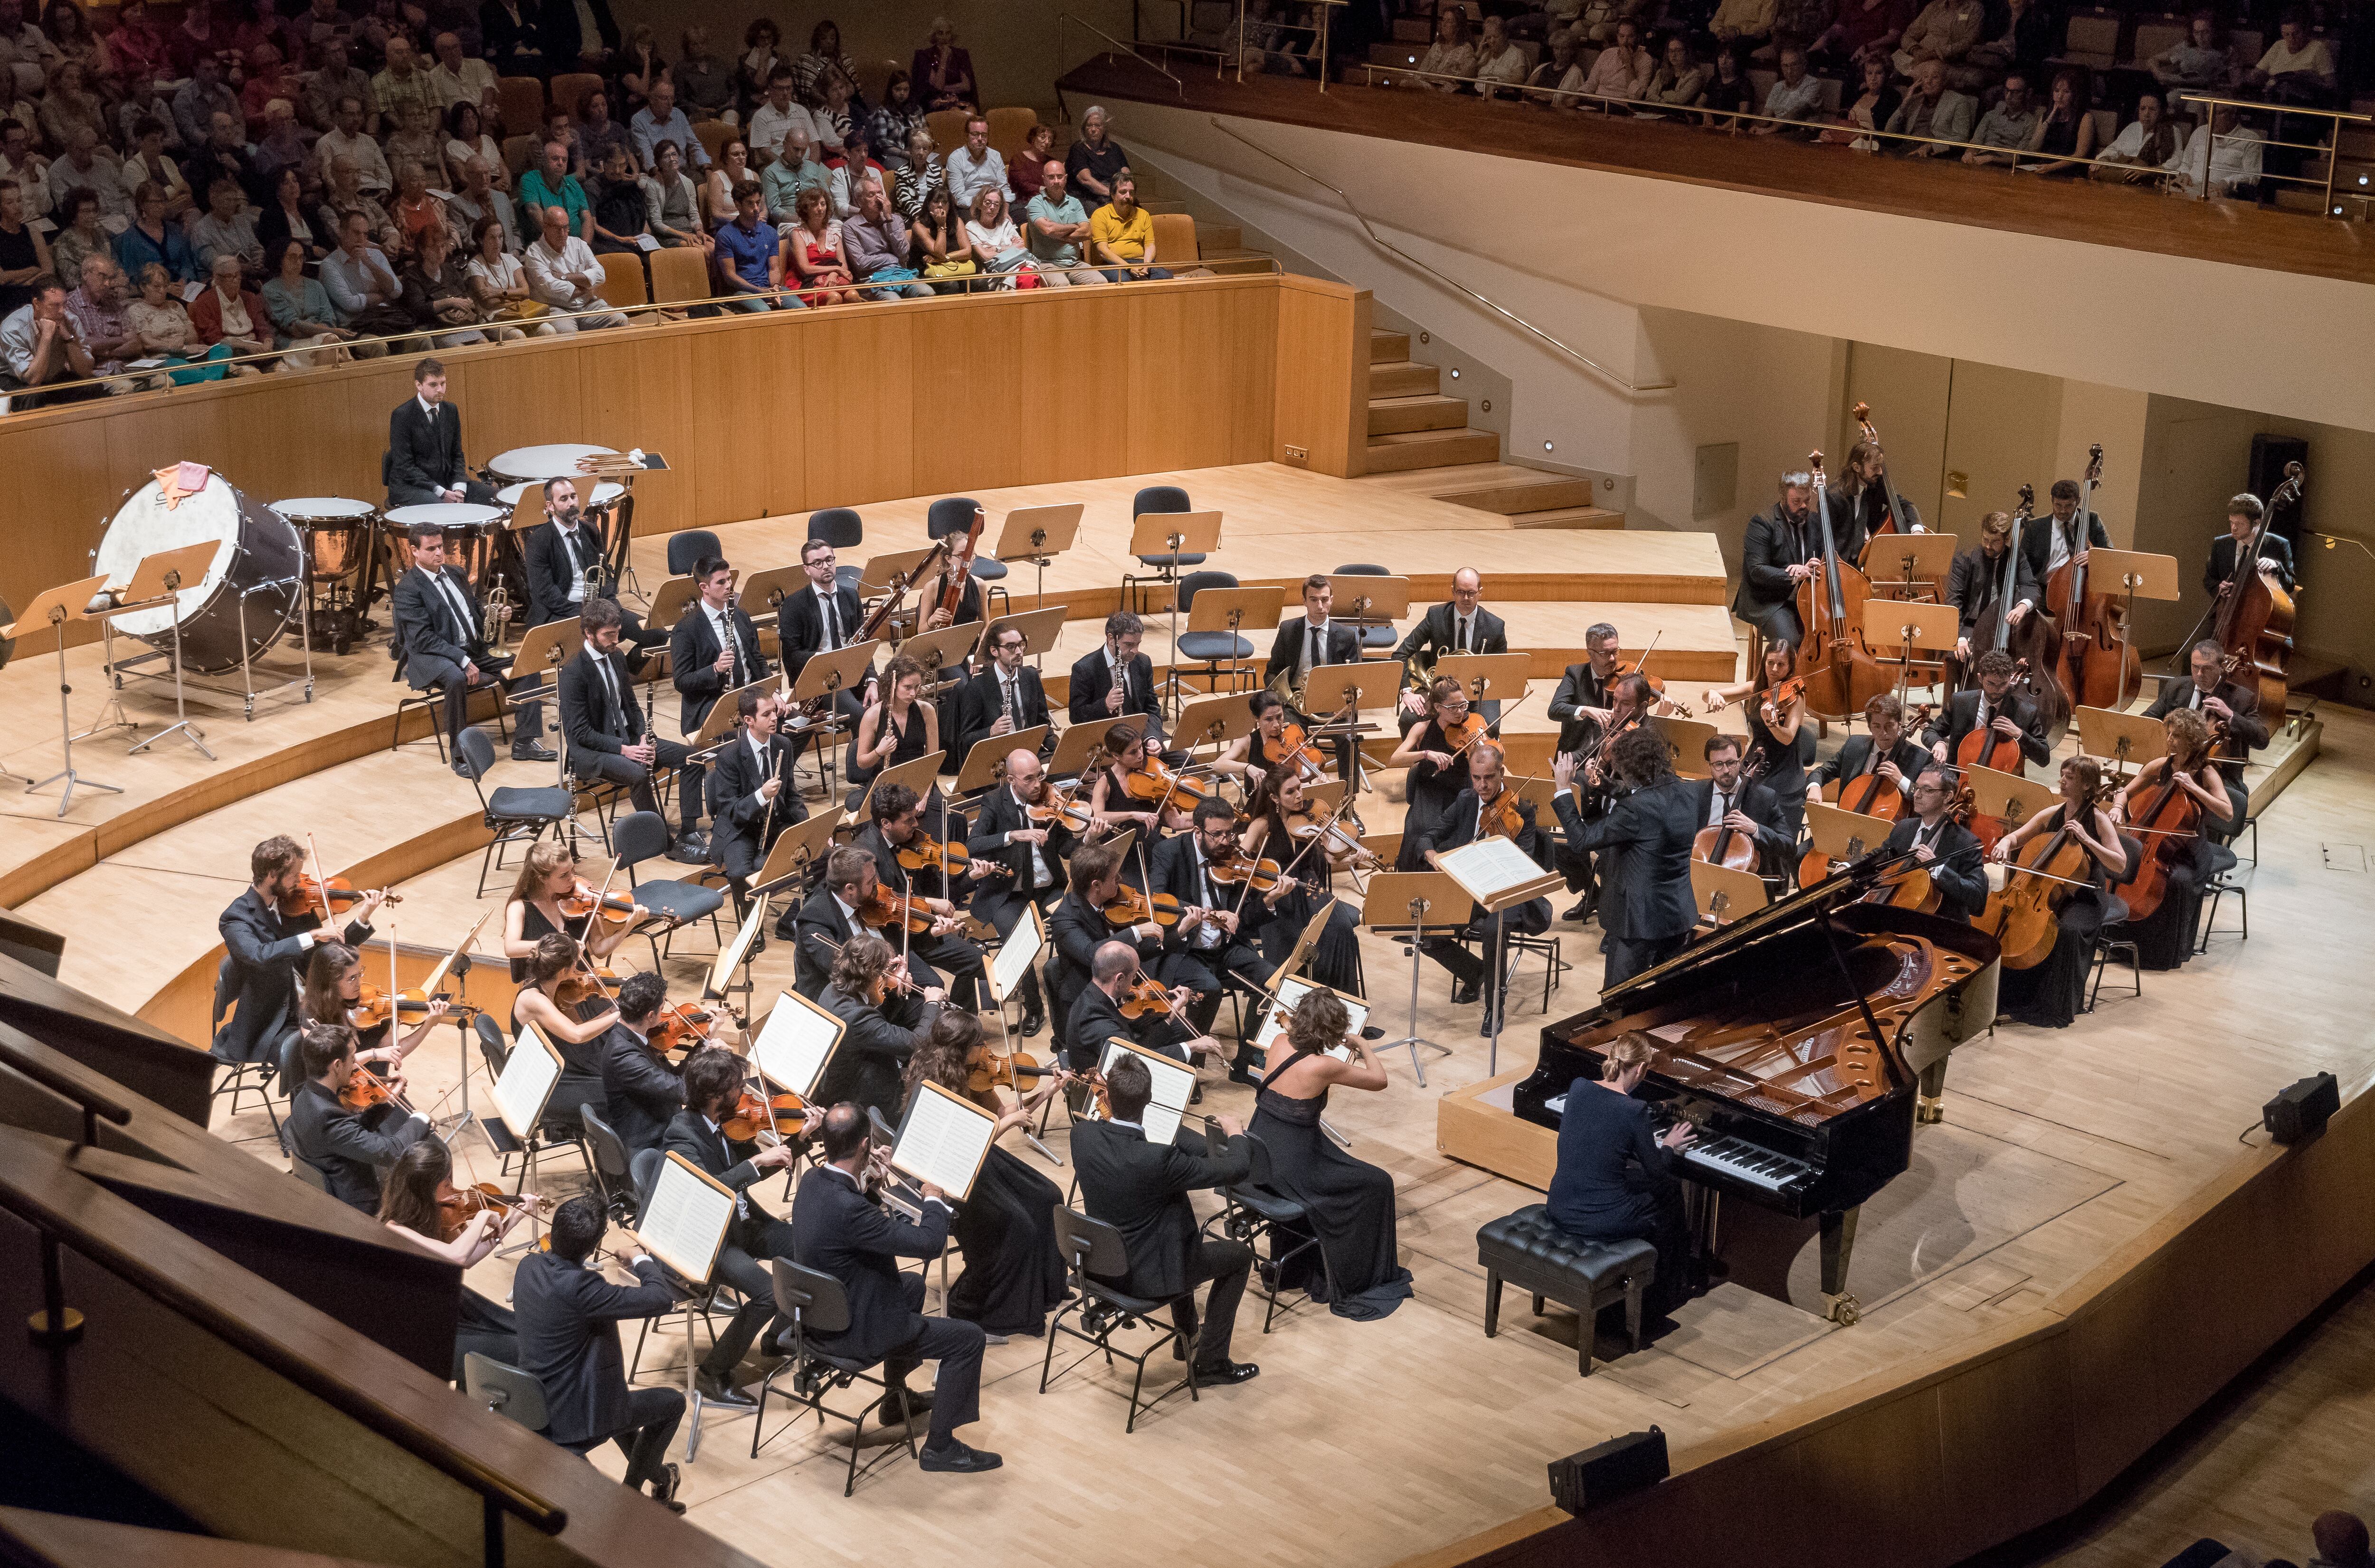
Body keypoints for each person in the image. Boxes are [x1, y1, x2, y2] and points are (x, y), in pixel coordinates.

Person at [790, 1102, 998, 1472]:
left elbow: (849, 1221)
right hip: (853, 1331)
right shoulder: (850, 1208)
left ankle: (893, 1400)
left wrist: (870, 1182)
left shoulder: (812, 1182)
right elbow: (929, 1244)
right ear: (865, 1145)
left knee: (913, 1286)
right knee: (968, 1339)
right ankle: (941, 1447)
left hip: (816, 1315)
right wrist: (933, 1197)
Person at [1070, 1050, 1262, 1379]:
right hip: (1144, 1278)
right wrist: (1235, 1133)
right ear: (1149, 1100)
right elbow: (1236, 1168)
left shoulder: (1081, 1136)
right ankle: (1212, 1363)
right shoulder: (1158, 1160)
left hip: (1099, 1263)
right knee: (1239, 1256)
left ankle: (1187, 1333)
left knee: (1171, 1217)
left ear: (1109, 1095)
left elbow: (1113, 1140)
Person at [513, 1196, 686, 1511]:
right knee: (673, 1404)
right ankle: (634, 1497)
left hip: (536, 1400)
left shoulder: (529, 1266)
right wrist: (640, 1259)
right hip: (575, 1418)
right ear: (594, 1246)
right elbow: (660, 1299)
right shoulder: (582, 1288)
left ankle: (652, 1483)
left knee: (623, 1408)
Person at [1248, 987, 1413, 1317]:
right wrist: (1363, 1044)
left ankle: (1303, 1262)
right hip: (1293, 1165)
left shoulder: (1280, 1042)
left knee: (1349, 1168)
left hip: (1260, 1150)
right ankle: (1353, 1272)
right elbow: (1379, 1080)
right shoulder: (1323, 1066)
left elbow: (1292, 1031)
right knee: (1377, 1183)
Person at [655, 1046, 800, 1407]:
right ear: (716, 1096)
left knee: (809, 1247)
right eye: (738, 1087)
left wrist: (800, 1138)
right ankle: (714, 1373)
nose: (746, 1094)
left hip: (740, 1224)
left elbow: (750, 1171)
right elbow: (710, 1188)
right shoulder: (682, 1135)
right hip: (706, 1239)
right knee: (768, 1293)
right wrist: (756, 1162)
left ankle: (776, 1338)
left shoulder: (724, 1124)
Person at [1545, 1031, 1695, 1317]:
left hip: (1560, 1206)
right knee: (1670, 1191)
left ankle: (1649, 1282)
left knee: (1629, 1180)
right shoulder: (1633, 1109)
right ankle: (1663, 1293)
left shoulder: (1578, 1087)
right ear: (1641, 1069)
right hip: (1603, 1220)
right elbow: (1657, 1173)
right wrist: (1669, 1147)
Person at [1418, 741, 1556, 1033]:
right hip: (1469, 890)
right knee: (1427, 930)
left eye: (1490, 778)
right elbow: (1428, 836)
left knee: (1493, 929)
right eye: (1476, 778)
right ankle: (1477, 972)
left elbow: (1526, 863)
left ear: (1501, 772)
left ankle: (1495, 1007)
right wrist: (1434, 857)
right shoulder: (1466, 800)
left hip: (1509, 894)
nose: (1483, 786)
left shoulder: (1522, 810)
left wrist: (1499, 849)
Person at [215, 836, 384, 1074]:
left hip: (313, 1004)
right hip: (273, 1020)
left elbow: (327, 959)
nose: (299, 882)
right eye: (294, 876)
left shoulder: (297, 908)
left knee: (375, 1031)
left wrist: (363, 917)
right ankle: (315, 1109)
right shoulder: (237, 918)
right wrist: (312, 936)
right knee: (316, 1052)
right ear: (273, 875)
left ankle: (371, 1101)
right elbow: (258, 955)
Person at [393, 521, 551, 767]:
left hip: (473, 649)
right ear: (414, 551)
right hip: (432, 656)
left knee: (526, 665)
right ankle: (459, 754)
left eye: (441, 547)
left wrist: (495, 612)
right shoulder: (408, 590)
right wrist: (463, 660)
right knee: (456, 679)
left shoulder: (456, 574)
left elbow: (473, 609)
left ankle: (525, 743)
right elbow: (421, 638)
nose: (439, 553)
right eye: (431, 549)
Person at [1552, 728, 1698, 985]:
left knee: (1618, 997)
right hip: (1678, 915)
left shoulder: (1633, 811)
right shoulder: (1689, 793)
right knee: (1666, 999)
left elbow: (1582, 841)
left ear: (1629, 768)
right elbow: (1651, 798)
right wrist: (1608, 786)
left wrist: (1564, 790)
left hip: (1638, 922)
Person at [559, 597, 703, 858]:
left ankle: (689, 831)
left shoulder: (616, 658)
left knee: (691, 758)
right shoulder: (572, 673)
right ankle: (666, 845)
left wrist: (643, 738)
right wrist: (625, 750)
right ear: (589, 634)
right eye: (608, 635)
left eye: (618, 633)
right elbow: (580, 733)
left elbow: (632, 707)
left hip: (627, 739)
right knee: (638, 774)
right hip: (593, 751)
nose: (616, 640)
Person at [375, 1140, 528, 1381]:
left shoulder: (439, 1213)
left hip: (444, 1305)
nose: (455, 1191)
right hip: (418, 1334)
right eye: (447, 1184)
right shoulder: (395, 1229)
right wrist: (482, 1218)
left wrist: (513, 1221)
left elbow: (467, 1259)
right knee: (520, 1351)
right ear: (425, 1188)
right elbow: (455, 1256)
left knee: (522, 1330)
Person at [1993, 755, 2125, 1028]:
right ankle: (2009, 998)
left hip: (2085, 896)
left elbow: (2120, 862)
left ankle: (2054, 1006)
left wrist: (2088, 840)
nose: (2062, 780)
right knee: (2011, 925)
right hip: (2047, 893)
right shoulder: (2051, 813)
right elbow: (2018, 836)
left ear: (2089, 786)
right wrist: (2006, 843)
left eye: (2070, 777)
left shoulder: (2099, 820)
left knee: (2066, 931)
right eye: (2063, 774)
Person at [1151, 794, 1277, 1068]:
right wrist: (1206, 913)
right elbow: (1158, 900)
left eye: (1230, 833)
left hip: (1225, 948)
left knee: (1271, 980)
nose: (1225, 841)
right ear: (1198, 832)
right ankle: (1189, 1064)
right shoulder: (1169, 853)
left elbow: (1243, 921)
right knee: (1208, 989)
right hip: (1186, 951)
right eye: (1217, 835)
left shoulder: (1233, 858)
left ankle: (1246, 1062)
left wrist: (1268, 901)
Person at [2108, 707, 2232, 970]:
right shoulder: (2158, 766)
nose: (2169, 741)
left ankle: (2160, 953)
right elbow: (2124, 793)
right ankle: (2116, 937)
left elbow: (2228, 812)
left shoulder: (2207, 773)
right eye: (2169, 734)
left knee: (2177, 881)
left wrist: (2193, 787)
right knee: (2119, 865)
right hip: (2152, 841)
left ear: (2191, 740)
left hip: (2189, 849)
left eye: (2175, 736)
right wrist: (2119, 807)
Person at [852, 781, 989, 1007]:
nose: (916, 824)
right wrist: (929, 903)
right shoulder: (864, 853)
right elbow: (879, 899)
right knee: (933, 984)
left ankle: (957, 1022)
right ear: (886, 824)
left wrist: (970, 878)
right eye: (909, 820)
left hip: (922, 927)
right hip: (893, 936)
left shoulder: (914, 841)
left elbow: (942, 891)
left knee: (979, 961)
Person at [965, 745, 1072, 1036]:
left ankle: (1072, 995)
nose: (1038, 785)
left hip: (1049, 888)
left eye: (1040, 776)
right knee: (1018, 942)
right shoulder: (994, 802)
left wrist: (1089, 835)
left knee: (1077, 922)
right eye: (1029, 779)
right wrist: (1013, 835)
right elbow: (974, 845)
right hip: (1008, 893)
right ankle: (1034, 1010)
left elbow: (1066, 847)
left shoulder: (1050, 800)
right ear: (1011, 779)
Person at [285, 1020, 430, 1209]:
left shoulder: (305, 1095)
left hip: (335, 1173)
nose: (356, 1064)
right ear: (337, 1066)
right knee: (423, 1175)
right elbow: (390, 1152)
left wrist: (386, 1101)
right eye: (352, 1059)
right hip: (357, 1205)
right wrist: (419, 1120)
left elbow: (350, 1133)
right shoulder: (327, 1117)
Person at [1047, 853, 1176, 1065]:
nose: (1121, 881)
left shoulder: (1114, 904)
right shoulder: (1065, 918)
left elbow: (1134, 953)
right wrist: (1135, 931)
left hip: (1122, 991)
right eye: (1115, 877)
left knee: (1176, 1024)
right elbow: (1091, 953)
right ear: (1096, 885)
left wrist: (1180, 931)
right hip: (1091, 1002)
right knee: (1162, 1032)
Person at [815, 931, 944, 1119]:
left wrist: (893, 985)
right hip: (858, 1095)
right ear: (874, 974)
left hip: (851, 1070)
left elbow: (875, 1013)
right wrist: (932, 1003)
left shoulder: (834, 989)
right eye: (889, 970)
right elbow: (916, 1043)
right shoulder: (855, 1017)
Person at [1700, 640, 1814, 838]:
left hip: (1784, 768)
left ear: (1790, 668)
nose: (1775, 669)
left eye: (1781, 665)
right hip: (1756, 761)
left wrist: (1772, 724)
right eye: (1770, 663)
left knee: (1773, 827)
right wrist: (1712, 694)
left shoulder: (1796, 697)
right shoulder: (1755, 688)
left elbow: (1788, 738)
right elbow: (1708, 695)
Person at [707, 690, 808, 912]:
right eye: (767, 714)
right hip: (740, 830)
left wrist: (808, 832)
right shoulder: (729, 756)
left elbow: (791, 795)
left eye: (774, 712)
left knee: (824, 856)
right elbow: (731, 810)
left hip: (774, 823)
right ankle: (752, 929)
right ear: (749, 721)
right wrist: (761, 795)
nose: (775, 718)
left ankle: (792, 918)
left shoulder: (783, 744)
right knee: (739, 873)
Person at [1266, 574, 1363, 780]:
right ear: (1304, 601)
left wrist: (1344, 705)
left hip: (1332, 704)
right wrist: (1283, 700)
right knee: (1288, 740)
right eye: (1314, 600)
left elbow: (1356, 679)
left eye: (1325, 599)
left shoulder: (1346, 635)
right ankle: (1293, 794)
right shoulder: (1289, 630)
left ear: (1332, 600)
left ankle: (1348, 802)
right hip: (1295, 703)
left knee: (1348, 739)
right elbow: (1272, 672)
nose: (1320, 605)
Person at [2144, 639, 2270, 784]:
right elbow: (2148, 719)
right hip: (2171, 766)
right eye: (2195, 667)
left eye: (2207, 669)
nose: (2199, 674)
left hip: (2219, 778)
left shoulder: (2242, 698)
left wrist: (2230, 715)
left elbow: (2262, 740)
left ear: (2222, 667)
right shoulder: (2176, 687)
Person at [1390, 675, 1483, 871]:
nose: (1460, 712)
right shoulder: (1422, 729)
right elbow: (1395, 759)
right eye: (1453, 708)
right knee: (1420, 831)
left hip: (1461, 792)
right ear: (1438, 707)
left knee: (1461, 835)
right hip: (1429, 791)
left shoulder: (1472, 728)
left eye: (1463, 705)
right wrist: (1426, 754)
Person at [1875, 768, 1986, 920]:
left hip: (1939, 925)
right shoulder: (1904, 827)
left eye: (1927, 790)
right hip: (1895, 913)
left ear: (1948, 796)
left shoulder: (1967, 843)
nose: (1917, 795)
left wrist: (1936, 866)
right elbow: (1878, 858)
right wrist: (1847, 867)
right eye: (1916, 788)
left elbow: (1978, 901)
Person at [594, 970, 684, 1155]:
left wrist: (704, 1043)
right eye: (662, 1009)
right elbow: (680, 1091)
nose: (664, 1014)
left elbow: (671, 1076)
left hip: (655, 1122)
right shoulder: (624, 1054)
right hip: (648, 1141)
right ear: (651, 1015)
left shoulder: (635, 1036)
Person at [1730, 469, 1823, 650]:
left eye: (1808, 501)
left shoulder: (1816, 521)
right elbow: (1757, 570)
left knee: (1824, 639)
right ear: (1783, 498)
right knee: (1790, 642)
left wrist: (1817, 565)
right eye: (1797, 502)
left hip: (1807, 597)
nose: (1804, 506)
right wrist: (1796, 575)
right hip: (1769, 600)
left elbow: (1827, 555)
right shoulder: (1762, 523)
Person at [386, 357, 496, 507]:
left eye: (443, 383)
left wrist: (459, 488)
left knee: (496, 496)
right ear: (419, 385)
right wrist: (441, 492)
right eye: (433, 385)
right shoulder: (402, 415)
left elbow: (457, 455)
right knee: (438, 506)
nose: (440, 389)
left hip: (447, 482)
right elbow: (405, 465)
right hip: (410, 486)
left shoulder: (451, 410)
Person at [1944, 510, 2042, 676]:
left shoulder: (2017, 557)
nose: (1988, 546)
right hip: (1971, 626)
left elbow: (2031, 587)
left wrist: (2023, 606)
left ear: (2007, 539)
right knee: (1956, 656)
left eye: (1995, 541)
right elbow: (1954, 601)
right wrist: (1959, 637)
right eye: (1985, 539)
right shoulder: (1964, 558)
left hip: (2005, 627)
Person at [1394, 567, 1507, 713]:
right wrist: (1407, 691)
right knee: (1408, 719)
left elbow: (1501, 669)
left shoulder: (1495, 626)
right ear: (1453, 591)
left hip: (1479, 692)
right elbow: (1401, 654)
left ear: (1480, 592)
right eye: (1461, 592)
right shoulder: (1435, 616)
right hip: (1441, 691)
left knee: (1489, 725)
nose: (1466, 598)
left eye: (1471, 593)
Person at [1923, 647, 2052, 771]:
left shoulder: (2026, 712)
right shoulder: (1960, 702)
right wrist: (1938, 742)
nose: (1998, 690)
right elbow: (1931, 731)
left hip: (2000, 781)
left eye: (2003, 684)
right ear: (1980, 678)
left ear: (2010, 679)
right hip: (1958, 777)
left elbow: (2044, 758)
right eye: (1991, 684)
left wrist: (2019, 734)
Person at [952, 621, 1052, 764]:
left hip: (1030, 754)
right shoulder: (976, 688)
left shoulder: (1031, 677)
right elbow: (966, 740)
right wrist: (991, 731)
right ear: (994, 651)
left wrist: (1061, 753)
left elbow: (1044, 724)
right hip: (998, 760)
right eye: (1011, 647)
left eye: (1021, 645)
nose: (1019, 652)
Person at [1813, 692, 1931, 812]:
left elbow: (1929, 800)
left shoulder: (1920, 758)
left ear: (1899, 724)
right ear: (1869, 727)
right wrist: (1814, 787)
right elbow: (1821, 772)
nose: (1884, 732)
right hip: (1848, 820)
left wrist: (1901, 781)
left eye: (1889, 725)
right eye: (1877, 726)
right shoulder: (1854, 745)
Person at [1691, 734, 1793, 872]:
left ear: (1740, 762)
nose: (1726, 770)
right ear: (1709, 765)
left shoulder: (1764, 797)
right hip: (1700, 877)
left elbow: (1789, 845)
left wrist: (1755, 829)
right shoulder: (1694, 793)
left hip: (1746, 881)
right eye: (1718, 764)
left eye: (1731, 763)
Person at [524, 203, 628, 329]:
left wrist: (565, 277)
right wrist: (586, 286)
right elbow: (550, 287)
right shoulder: (534, 252)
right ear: (545, 227)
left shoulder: (579, 244)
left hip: (588, 304)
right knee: (567, 333)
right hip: (557, 308)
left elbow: (600, 274)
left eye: (566, 227)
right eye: (558, 228)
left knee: (620, 319)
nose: (563, 233)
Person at [788, 843, 876, 990]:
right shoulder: (813, 918)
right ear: (850, 889)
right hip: (843, 999)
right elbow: (842, 969)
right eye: (871, 882)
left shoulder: (864, 900)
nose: (877, 883)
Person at [261, 237, 360, 368]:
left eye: (301, 257)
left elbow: (328, 318)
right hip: (292, 344)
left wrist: (319, 330)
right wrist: (333, 331)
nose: (298, 262)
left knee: (330, 340)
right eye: (292, 257)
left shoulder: (315, 286)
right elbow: (294, 328)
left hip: (323, 338)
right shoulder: (270, 289)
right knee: (331, 340)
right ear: (280, 259)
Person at [322, 209, 413, 344]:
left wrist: (368, 262)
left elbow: (397, 291)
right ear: (342, 232)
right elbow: (351, 304)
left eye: (365, 234)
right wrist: (383, 295)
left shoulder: (375, 255)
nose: (361, 239)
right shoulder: (329, 265)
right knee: (378, 346)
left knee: (423, 340)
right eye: (356, 233)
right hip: (357, 326)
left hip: (386, 318)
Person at [1069, 608, 1163, 731]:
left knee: (1180, 752)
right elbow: (1076, 717)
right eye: (1129, 645)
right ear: (1111, 639)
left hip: (1140, 732)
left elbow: (1152, 707)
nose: (1135, 651)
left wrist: (1152, 737)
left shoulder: (1143, 662)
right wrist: (1106, 705)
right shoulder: (1085, 669)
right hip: (1105, 736)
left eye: (1138, 644)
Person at [843, 179, 931, 300]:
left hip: (900, 274)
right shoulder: (850, 227)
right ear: (859, 201)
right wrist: (891, 258)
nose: (878, 199)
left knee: (927, 293)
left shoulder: (896, 220)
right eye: (871, 195)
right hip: (873, 280)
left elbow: (903, 253)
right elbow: (861, 263)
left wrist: (889, 219)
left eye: (880, 193)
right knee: (894, 301)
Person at [1022, 159, 1102, 287]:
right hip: (1046, 263)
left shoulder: (1075, 203)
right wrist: (1074, 226)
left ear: (1065, 179)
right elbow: (1048, 229)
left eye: (1060, 177)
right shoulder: (1036, 203)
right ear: (1044, 180)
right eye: (1051, 177)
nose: (1056, 181)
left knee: (1101, 282)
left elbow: (1087, 232)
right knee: (1062, 285)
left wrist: (1056, 234)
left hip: (1074, 263)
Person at [713, 178, 789, 309]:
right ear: (738, 204)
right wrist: (760, 291)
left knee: (801, 309)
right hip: (741, 292)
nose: (756, 209)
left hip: (768, 288)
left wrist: (775, 287)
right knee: (764, 311)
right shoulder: (725, 235)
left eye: (758, 203)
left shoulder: (770, 232)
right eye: (750, 204)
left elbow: (774, 268)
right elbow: (730, 277)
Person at [2207, 490, 2295, 603]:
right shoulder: (2220, 544)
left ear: (2256, 522)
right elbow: (2209, 580)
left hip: (2258, 612)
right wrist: (2219, 588)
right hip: (2224, 610)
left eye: (2240, 524)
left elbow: (2290, 586)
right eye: (2231, 522)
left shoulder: (2279, 545)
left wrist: (2276, 566)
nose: (2233, 528)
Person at [2162, 102, 2260, 197]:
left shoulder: (2249, 139)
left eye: (2218, 113)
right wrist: (2184, 174)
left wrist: (2227, 182)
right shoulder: (2200, 132)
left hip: (2219, 193)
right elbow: (2186, 163)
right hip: (2187, 187)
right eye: (2209, 113)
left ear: (2233, 114)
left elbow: (2253, 175)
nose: (2212, 118)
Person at [782, 183, 856, 305]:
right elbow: (806, 269)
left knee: (853, 296)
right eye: (815, 205)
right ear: (805, 209)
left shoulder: (834, 234)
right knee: (835, 298)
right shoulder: (798, 234)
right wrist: (836, 268)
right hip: (804, 282)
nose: (820, 208)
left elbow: (844, 267)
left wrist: (833, 274)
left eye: (823, 204)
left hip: (832, 278)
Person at [1089, 171, 1169, 283]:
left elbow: (1150, 246)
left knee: (1165, 277)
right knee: (1125, 280)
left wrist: (1146, 266)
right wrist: (1129, 267)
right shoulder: (1100, 215)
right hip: (1111, 264)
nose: (1128, 196)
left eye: (1131, 193)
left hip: (1140, 262)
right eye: (1123, 192)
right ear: (1113, 195)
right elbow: (1103, 251)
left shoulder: (1143, 215)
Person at [1884, 56, 1976, 151]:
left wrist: (1932, 147)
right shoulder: (1914, 101)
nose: (1929, 81)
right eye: (1925, 76)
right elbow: (1888, 131)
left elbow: (1961, 139)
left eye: (1935, 77)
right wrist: (1905, 104)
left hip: (1936, 154)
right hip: (1908, 148)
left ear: (1944, 81)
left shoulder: (1958, 101)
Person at [2093, 91, 2185, 184]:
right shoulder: (2133, 127)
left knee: (2124, 177)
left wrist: (2149, 171)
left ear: (2162, 112)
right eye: (2143, 109)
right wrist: (2103, 160)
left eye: (2152, 109)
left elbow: (2176, 161)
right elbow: (2114, 149)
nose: (2147, 114)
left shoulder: (2171, 131)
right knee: (2094, 170)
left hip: (2145, 175)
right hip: (2122, 167)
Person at [646, 141, 714, 254]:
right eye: (666, 156)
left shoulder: (688, 183)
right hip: (667, 235)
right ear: (659, 162)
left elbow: (694, 213)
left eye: (674, 154)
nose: (672, 159)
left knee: (714, 249)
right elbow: (657, 223)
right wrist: (684, 235)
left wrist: (699, 231)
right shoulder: (653, 186)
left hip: (688, 231)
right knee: (702, 251)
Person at [628, 75, 704, 173]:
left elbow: (695, 145)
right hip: (659, 172)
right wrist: (659, 176)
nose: (669, 103)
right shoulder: (639, 120)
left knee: (707, 184)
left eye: (672, 99)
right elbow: (646, 154)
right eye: (665, 98)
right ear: (651, 99)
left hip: (684, 171)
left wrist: (707, 168)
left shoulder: (679, 115)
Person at [911, 16, 975, 111]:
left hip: (959, 99)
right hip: (937, 101)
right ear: (934, 35)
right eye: (940, 33)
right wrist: (944, 58)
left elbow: (966, 86)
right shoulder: (926, 56)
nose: (944, 37)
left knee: (971, 111)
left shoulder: (960, 55)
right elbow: (938, 87)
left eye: (948, 33)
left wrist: (946, 89)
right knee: (955, 111)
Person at [1414, 9, 1476, 88]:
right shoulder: (1436, 46)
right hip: (1426, 84)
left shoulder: (1466, 49)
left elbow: (1464, 77)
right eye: (1444, 20)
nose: (1444, 24)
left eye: (1449, 21)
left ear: (1458, 26)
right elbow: (1421, 71)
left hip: (1446, 89)